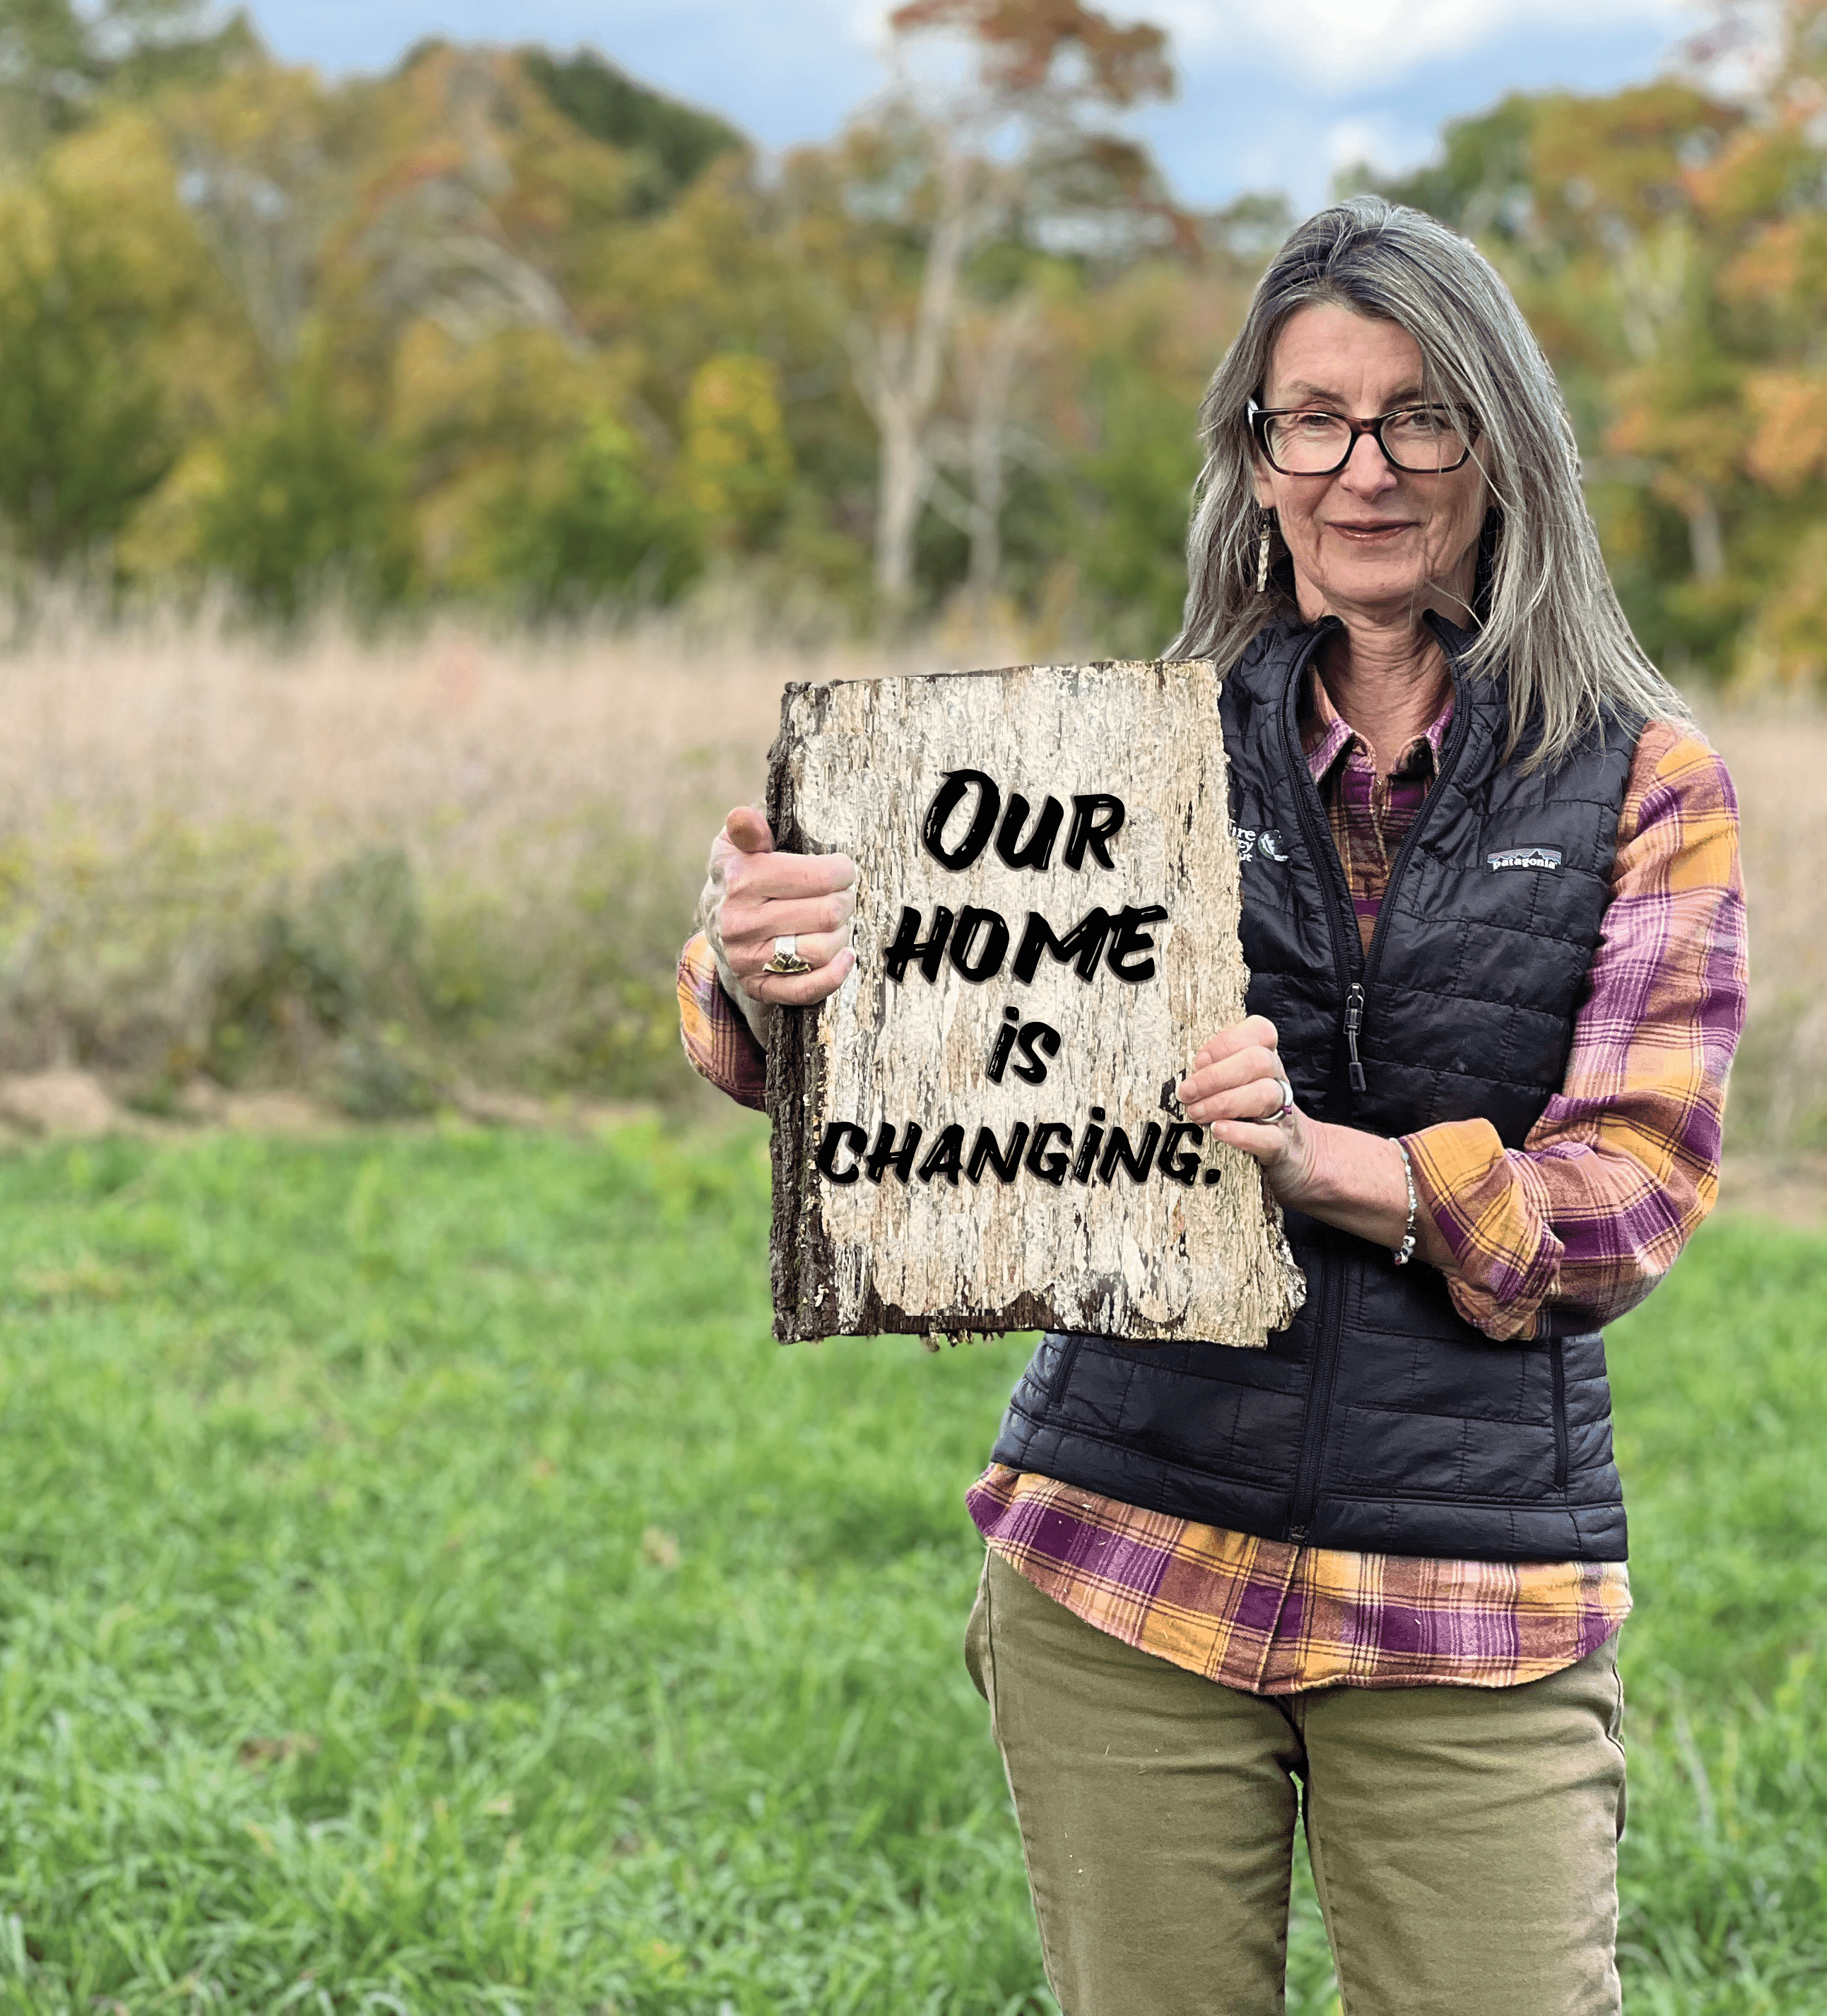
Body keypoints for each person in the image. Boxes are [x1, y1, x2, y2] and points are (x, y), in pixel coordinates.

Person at [675, 196, 1746, 2016]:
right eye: (1310, 417)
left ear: (1505, 448)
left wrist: (1327, 1166)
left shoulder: (1646, 779)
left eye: (1421, 414)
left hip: (1473, 1596)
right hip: (1125, 1551)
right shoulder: (1119, 748)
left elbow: (1636, 1188)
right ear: (1253, 460)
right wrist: (755, 964)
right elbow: (869, 1045)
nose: (1364, 467)